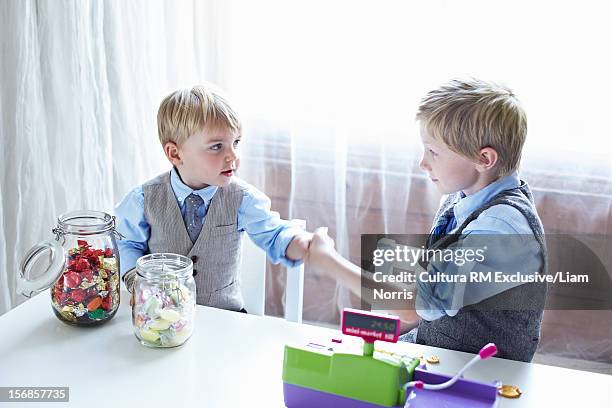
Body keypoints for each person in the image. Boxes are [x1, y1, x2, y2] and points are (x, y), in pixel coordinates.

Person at [308, 78, 546, 362]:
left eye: (433, 151)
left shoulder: (501, 227)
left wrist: (327, 260)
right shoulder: (462, 198)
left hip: (481, 369)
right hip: (442, 348)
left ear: (484, 159)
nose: (423, 162)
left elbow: (414, 306)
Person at [115, 85, 312, 312]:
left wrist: (301, 243)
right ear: (175, 153)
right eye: (217, 146)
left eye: (236, 142)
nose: (233, 156)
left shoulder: (242, 199)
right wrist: (135, 279)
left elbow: (275, 234)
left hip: (226, 317)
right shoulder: (144, 199)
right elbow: (126, 243)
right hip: (162, 318)